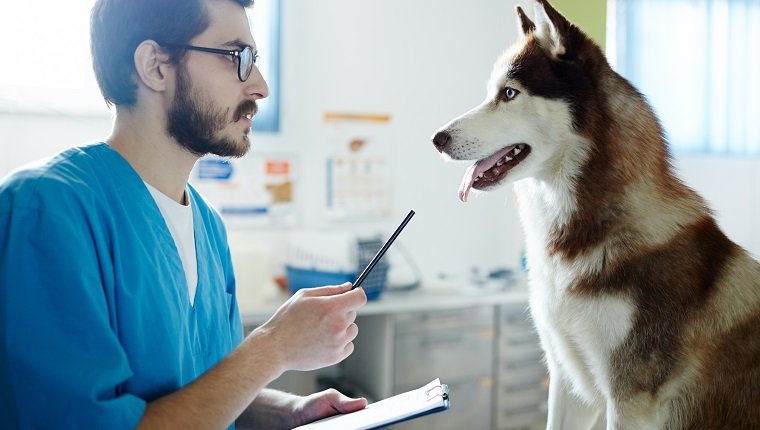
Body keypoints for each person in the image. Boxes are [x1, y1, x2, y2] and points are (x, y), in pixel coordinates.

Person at [0, 0, 369, 428]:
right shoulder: (44, 212)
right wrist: (273, 346)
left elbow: (209, 389)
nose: (261, 87)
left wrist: (290, 411)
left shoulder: (207, 226)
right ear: (155, 65)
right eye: (237, 58)